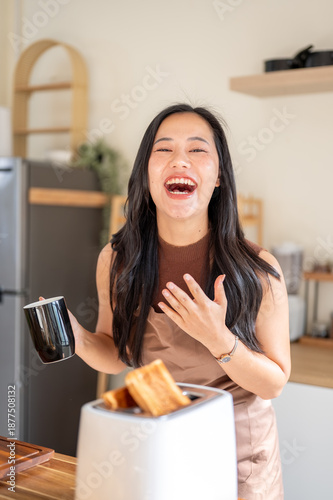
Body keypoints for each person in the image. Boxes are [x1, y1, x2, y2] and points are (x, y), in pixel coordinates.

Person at [70, 103, 290, 499]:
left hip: (237, 457)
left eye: (198, 150)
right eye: (164, 149)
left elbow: (274, 383)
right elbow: (117, 353)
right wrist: (80, 340)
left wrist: (218, 339)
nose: (180, 161)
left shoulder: (257, 269)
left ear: (219, 175)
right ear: (146, 173)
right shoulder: (118, 260)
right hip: (157, 441)